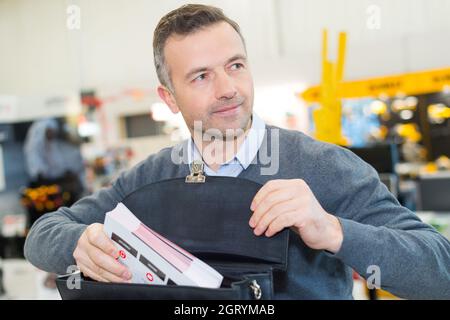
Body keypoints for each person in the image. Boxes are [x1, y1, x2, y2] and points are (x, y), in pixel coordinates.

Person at [24, 4, 450, 299]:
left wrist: (334, 231)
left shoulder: (324, 166)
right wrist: (80, 242)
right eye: (201, 76)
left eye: (235, 65)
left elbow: (439, 271)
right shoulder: (150, 178)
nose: (227, 88)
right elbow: (41, 237)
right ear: (169, 98)